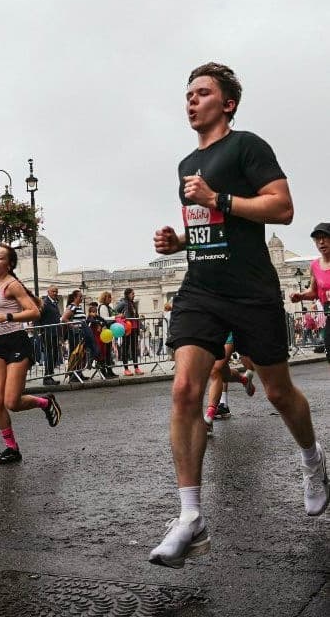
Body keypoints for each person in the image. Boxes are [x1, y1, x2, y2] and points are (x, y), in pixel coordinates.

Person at [150, 62, 329, 569]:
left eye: (202, 93)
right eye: (187, 94)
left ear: (226, 103)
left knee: (278, 391)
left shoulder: (248, 146)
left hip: (251, 290)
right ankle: (190, 517)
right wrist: (177, 241)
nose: (191, 101)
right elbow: (209, 225)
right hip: (201, 288)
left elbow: (282, 208)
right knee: (185, 388)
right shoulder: (187, 161)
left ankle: (313, 461)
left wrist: (219, 197)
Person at [0, 244, 61, 465]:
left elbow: (34, 311)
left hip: (17, 343)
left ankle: (45, 403)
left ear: (9, 263)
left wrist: (9, 317)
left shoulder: (12, 285)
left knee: (12, 402)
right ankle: (12, 448)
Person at [291, 222, 330, 363]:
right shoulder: (314, 265)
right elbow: (313, 292)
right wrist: (300, 296)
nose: (321, 242)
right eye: (317, 239)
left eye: (325, 237)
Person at [204, 333, 255, 432]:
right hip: (210, 328)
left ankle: (209, 416)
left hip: (229, 329)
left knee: (215, 369)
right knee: (224, 373)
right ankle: (244, 380)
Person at [115, 288, 143, 376]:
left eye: (134, 293)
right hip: (127, 328)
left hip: (134, 328)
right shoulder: (123, 302)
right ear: (127, 294)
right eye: (132, 294)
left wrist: (139, 327)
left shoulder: (133, 304)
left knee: (135, 349)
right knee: (125, 348)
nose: (134, 295)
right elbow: (114, 310)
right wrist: (120, 316)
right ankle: (126, 369)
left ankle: (136, 367)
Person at [38, 285, 62, 386]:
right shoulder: (45, 303)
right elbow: (38, 316)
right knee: (49, 355)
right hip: (47, 333)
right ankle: (47, 377)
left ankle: (50, 376)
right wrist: (40, 331)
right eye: (53, 291)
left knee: (54, 355)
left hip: (55, 333)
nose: (55, 293)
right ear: (48, 292)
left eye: (56, 291)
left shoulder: (55, 303)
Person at [97, 291, 118, 378]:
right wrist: (115, 318)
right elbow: (104, 318)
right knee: (105, 352)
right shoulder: (102, 307)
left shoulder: (108, 307)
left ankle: (109, 370)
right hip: (104, 331)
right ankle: (104, 371)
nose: (110, 299)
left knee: (108, 352)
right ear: (104, 298)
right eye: (109, 297)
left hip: (108, 331)